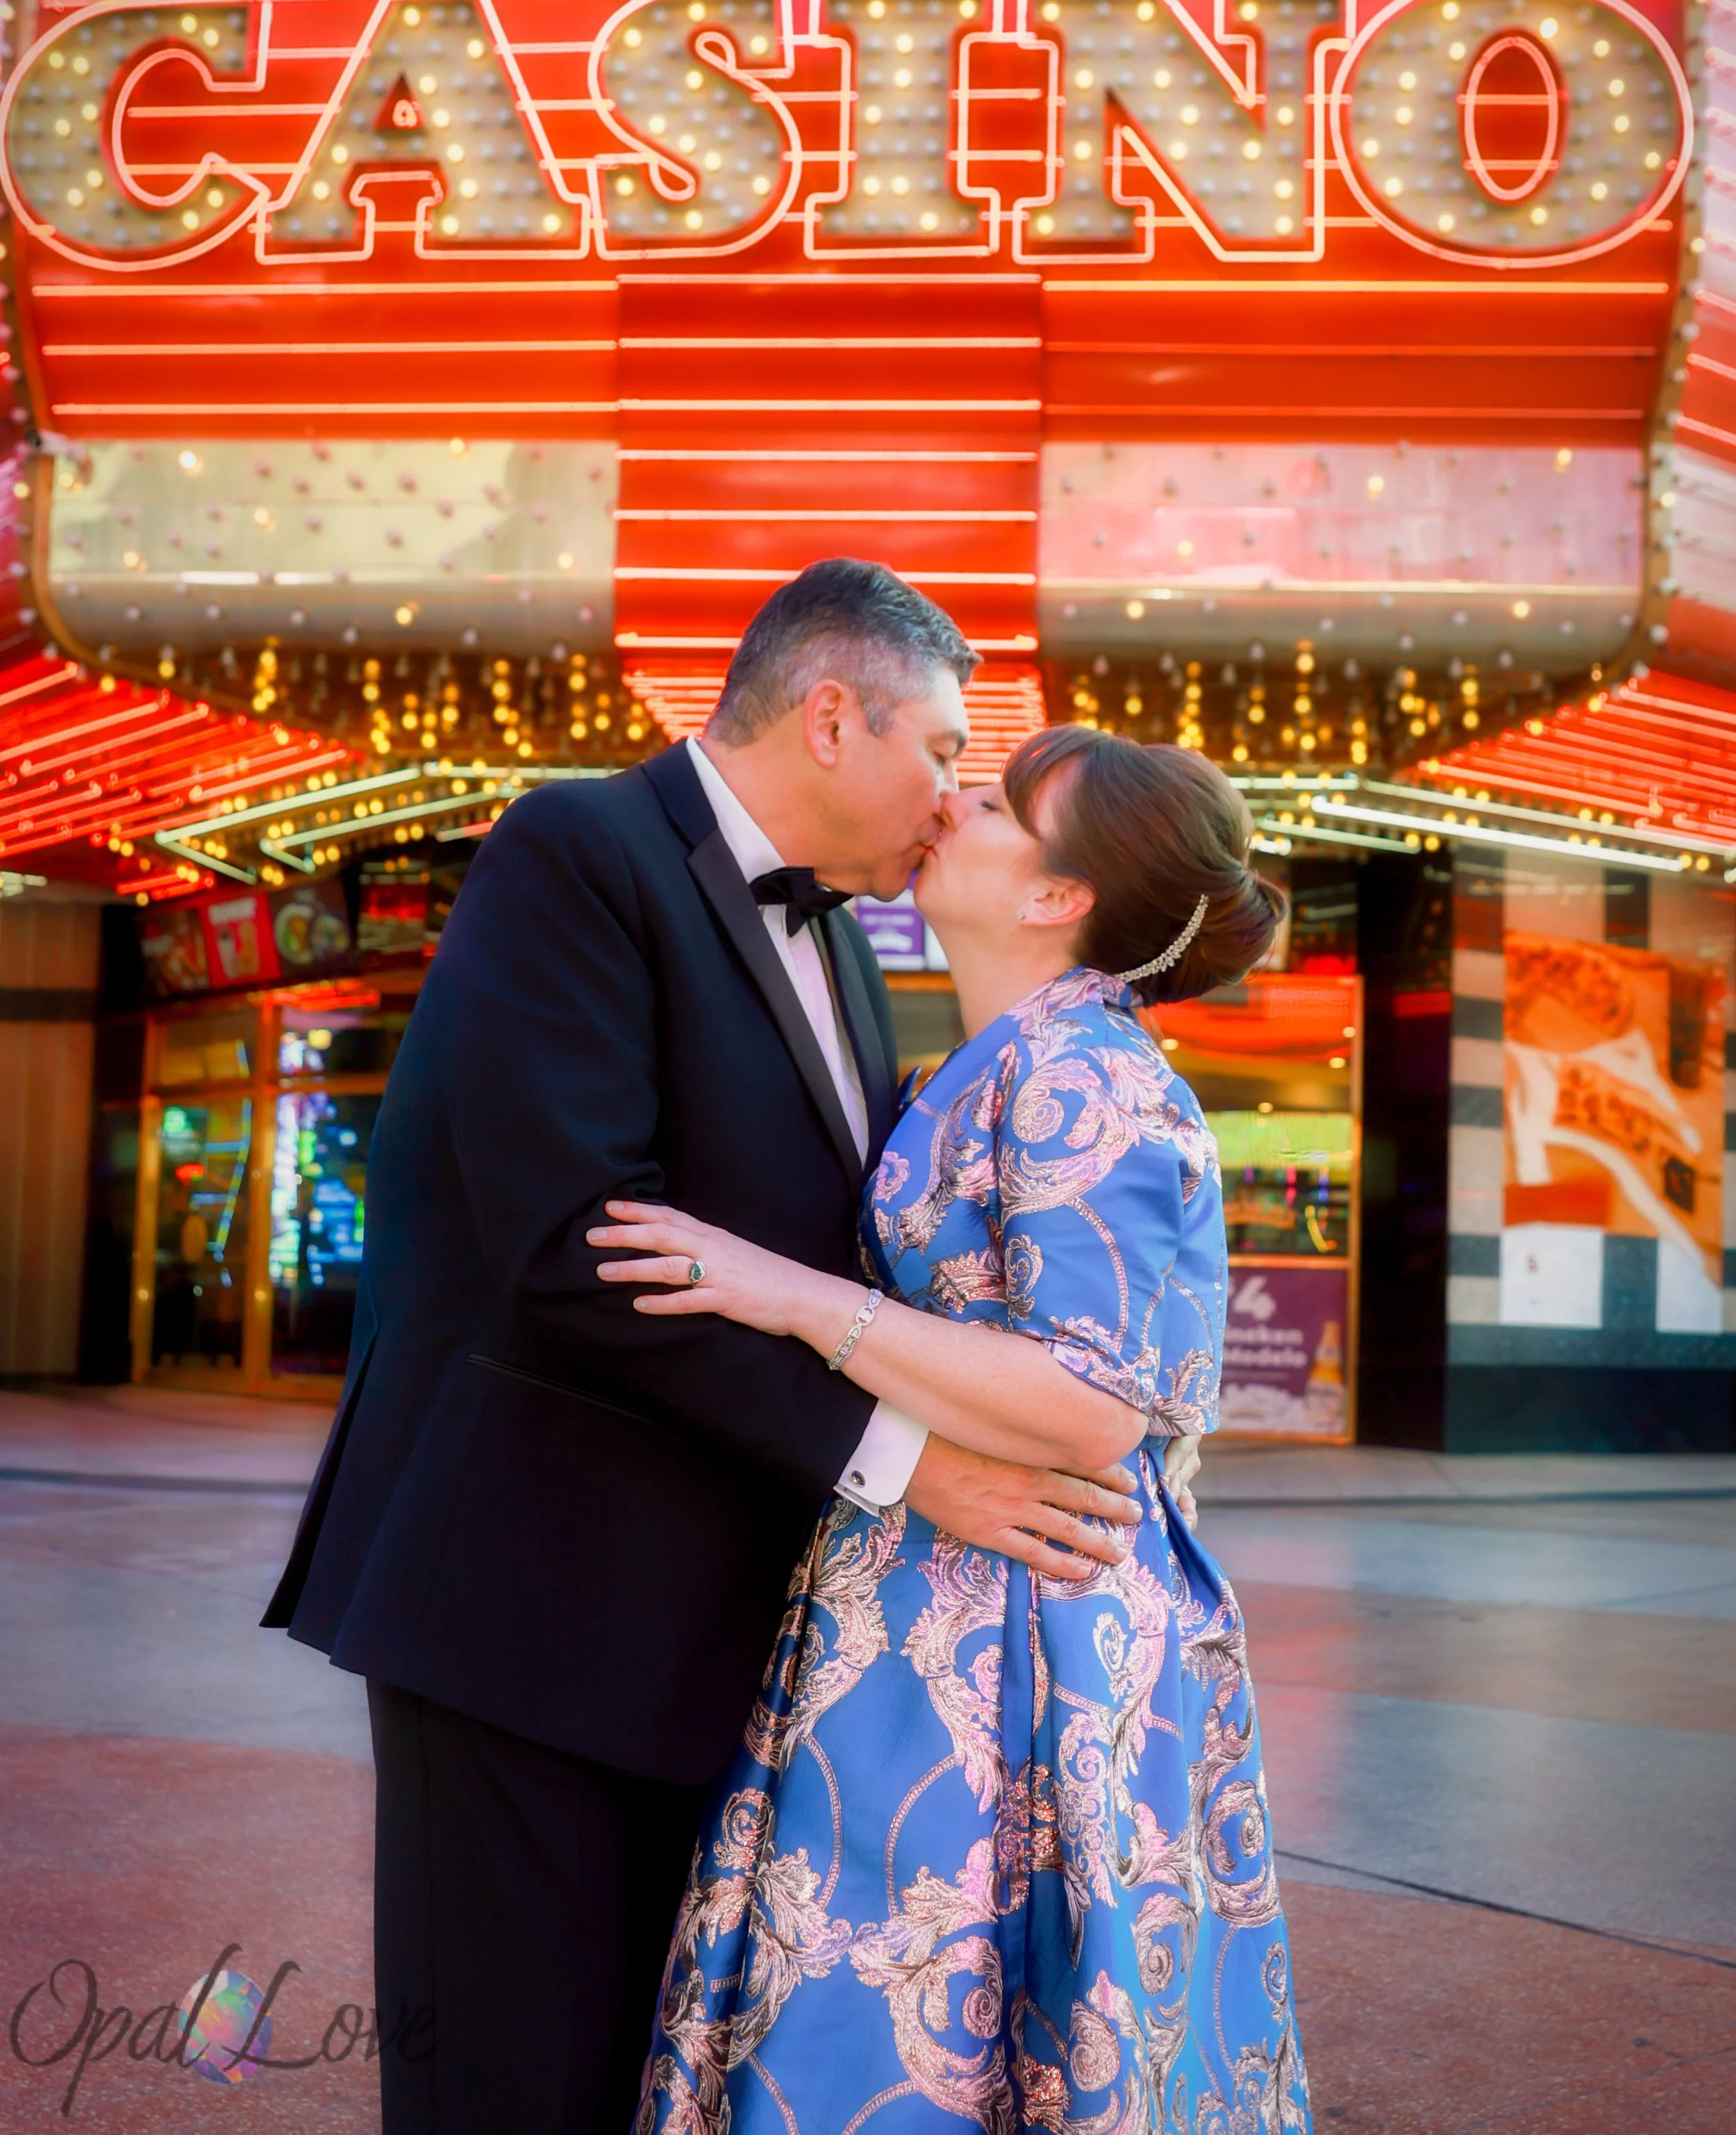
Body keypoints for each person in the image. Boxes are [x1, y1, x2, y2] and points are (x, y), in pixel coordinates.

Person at [262, 562, 1149, 2135]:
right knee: (509, 2083)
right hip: (530, 1604)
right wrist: (906, 1466)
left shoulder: (862, 959)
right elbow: (575, 1257)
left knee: (642, 2085)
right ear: (828, 717)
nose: (950, 798)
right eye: (941, 749)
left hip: (722, 1629)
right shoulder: (579, 850)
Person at [591, 726, 1312, 2135]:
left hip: (1022, 1624)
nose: (946, 804)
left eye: (990, 805)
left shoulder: (1081, 1075)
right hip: (950, 1591)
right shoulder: (988, 1064)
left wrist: (787, 1294)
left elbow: (1093, 1402)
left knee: (927, 1984)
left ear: (1055, 897)